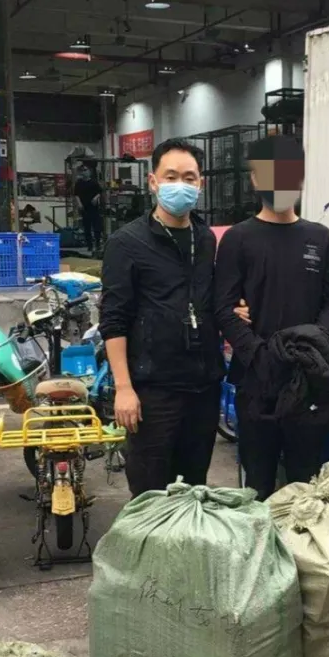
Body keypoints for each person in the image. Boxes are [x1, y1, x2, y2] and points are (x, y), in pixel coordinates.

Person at [215, 135, 329, 500]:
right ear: (256, 179)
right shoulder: (238, 239)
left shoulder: (320, 237)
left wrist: (312, 347)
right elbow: (223, 307)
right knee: (257, 486)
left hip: (309, 379)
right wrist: (259, 354)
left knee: (307, 485)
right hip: (257, 380)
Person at [99, 138, 223, 497]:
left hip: (203, 388)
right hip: (153, 391)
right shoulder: (127, 243)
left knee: (193, 491)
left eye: (189, 177)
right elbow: (114, 320)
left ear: (201, 184)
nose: (180, 185)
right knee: (150, 493)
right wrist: (124, 389)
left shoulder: (206, 239)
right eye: (171, 177)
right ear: (153, 182)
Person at [73, 163, 103, 252]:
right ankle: (89, 245)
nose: (84, 172)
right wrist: (79, 204)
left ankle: (98, 244)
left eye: (86, 170)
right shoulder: (79, 183)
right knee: (87, 228)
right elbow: (76, 195)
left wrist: (96, 198)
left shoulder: (94, 182)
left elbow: (99, 192)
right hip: (84, 208)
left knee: (96, 227)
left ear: (89, 172)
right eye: (83, 170)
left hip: (93, 208)